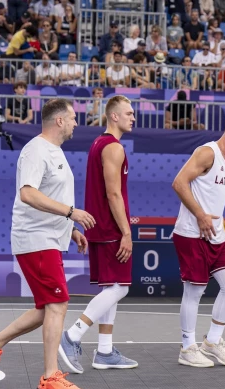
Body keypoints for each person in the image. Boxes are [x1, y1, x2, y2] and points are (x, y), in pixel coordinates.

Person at [0, 99, 96, 389]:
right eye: (73, 118)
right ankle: (50, 376)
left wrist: (71, 230)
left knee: (47, 307)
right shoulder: (36, 150)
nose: (77, 123)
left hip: (50, 238)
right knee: (58, 303)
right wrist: (70, 213)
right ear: (59, 121)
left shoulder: (56, 153)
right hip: (34, 238)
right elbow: (27, 194)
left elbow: (50, 197)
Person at [58, 96, 138, 374]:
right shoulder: (113, 148)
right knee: (121, 287)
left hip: (100, 227)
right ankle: (72, 336)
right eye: (128, 113)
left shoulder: (97, 143)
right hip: (110, 228)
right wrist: (126, 232)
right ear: (113, 116)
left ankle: (104, 351)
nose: (133, 117)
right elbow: (113, 193)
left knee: (111, 288)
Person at [171, 112, 225, 368]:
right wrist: (200, 215)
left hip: (216, 235)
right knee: (194, 291)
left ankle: (213, 342)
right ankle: (187, 348)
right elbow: (178, 183)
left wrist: (217, 222)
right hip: (191, 232)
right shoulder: (207, 153)